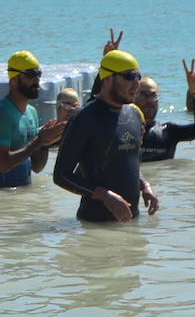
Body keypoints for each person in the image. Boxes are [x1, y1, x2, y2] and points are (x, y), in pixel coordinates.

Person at [53, 49, 159, 222]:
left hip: (131, 225)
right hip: (95, 227)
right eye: (129, 77)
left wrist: (145, 185)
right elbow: (61, 175)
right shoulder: (84, 117)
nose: (136, 84)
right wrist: (104, 195)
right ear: (108, 78)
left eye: (138, 77)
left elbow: (125, 164)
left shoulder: (134, 114)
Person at [0, 51, 64, 188]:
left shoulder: (31, 112)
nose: (37, 80)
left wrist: (45, 144)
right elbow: (3, 165)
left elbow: (36, 167)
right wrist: (38, 140)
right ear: (14, 79)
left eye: (39, 74)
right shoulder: (1, 111)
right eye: (31, 75)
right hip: (3, 196)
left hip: (23, 197)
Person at [137, 61, 195, 162]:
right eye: (142, 95)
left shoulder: (168, 132)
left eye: (153, 95)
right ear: (133, 97)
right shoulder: (125, 130)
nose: (149, 100)